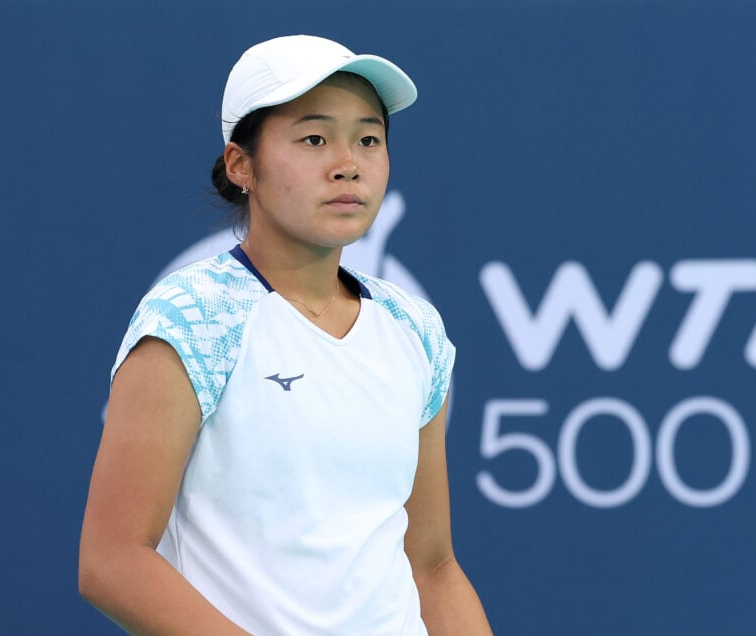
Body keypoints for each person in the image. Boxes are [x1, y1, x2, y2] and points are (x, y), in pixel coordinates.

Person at [79, 35, 492, 635]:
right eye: (314, 138)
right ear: (240, 164)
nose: (348, 162)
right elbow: (113, 560)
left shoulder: (414, 327)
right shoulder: (193, 315)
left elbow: (431, 566)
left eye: (368, 139)